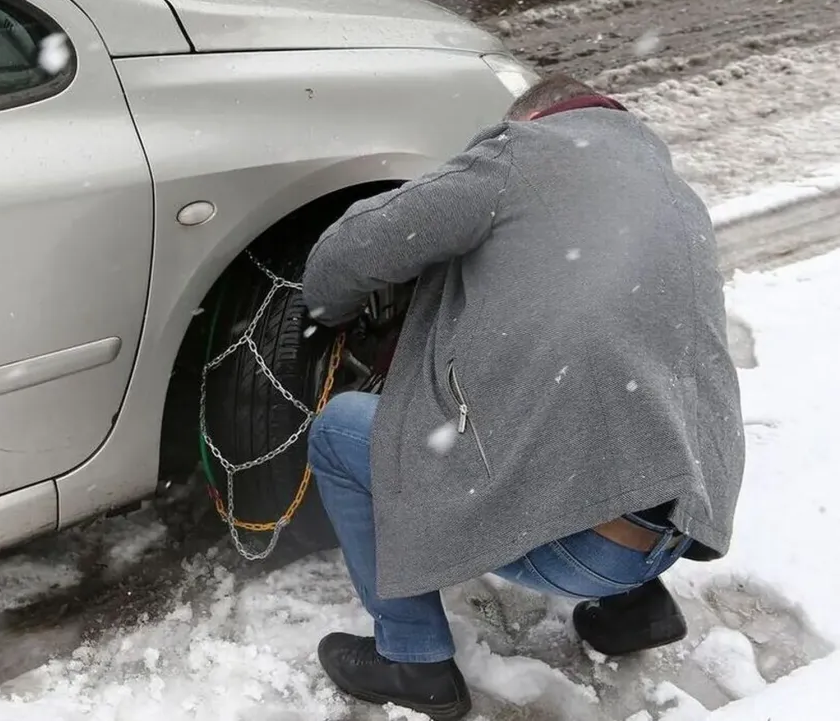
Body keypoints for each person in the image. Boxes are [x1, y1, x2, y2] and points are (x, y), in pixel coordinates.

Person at [300, 73, 745, 721]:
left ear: (532, 118)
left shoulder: (521, 153)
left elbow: (353, 249)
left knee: (340, 431)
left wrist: (326, 309)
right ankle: (635, 607)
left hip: (578, 548)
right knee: (619, 384)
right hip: (675, 526)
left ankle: (412, 657)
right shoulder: (671, 196)